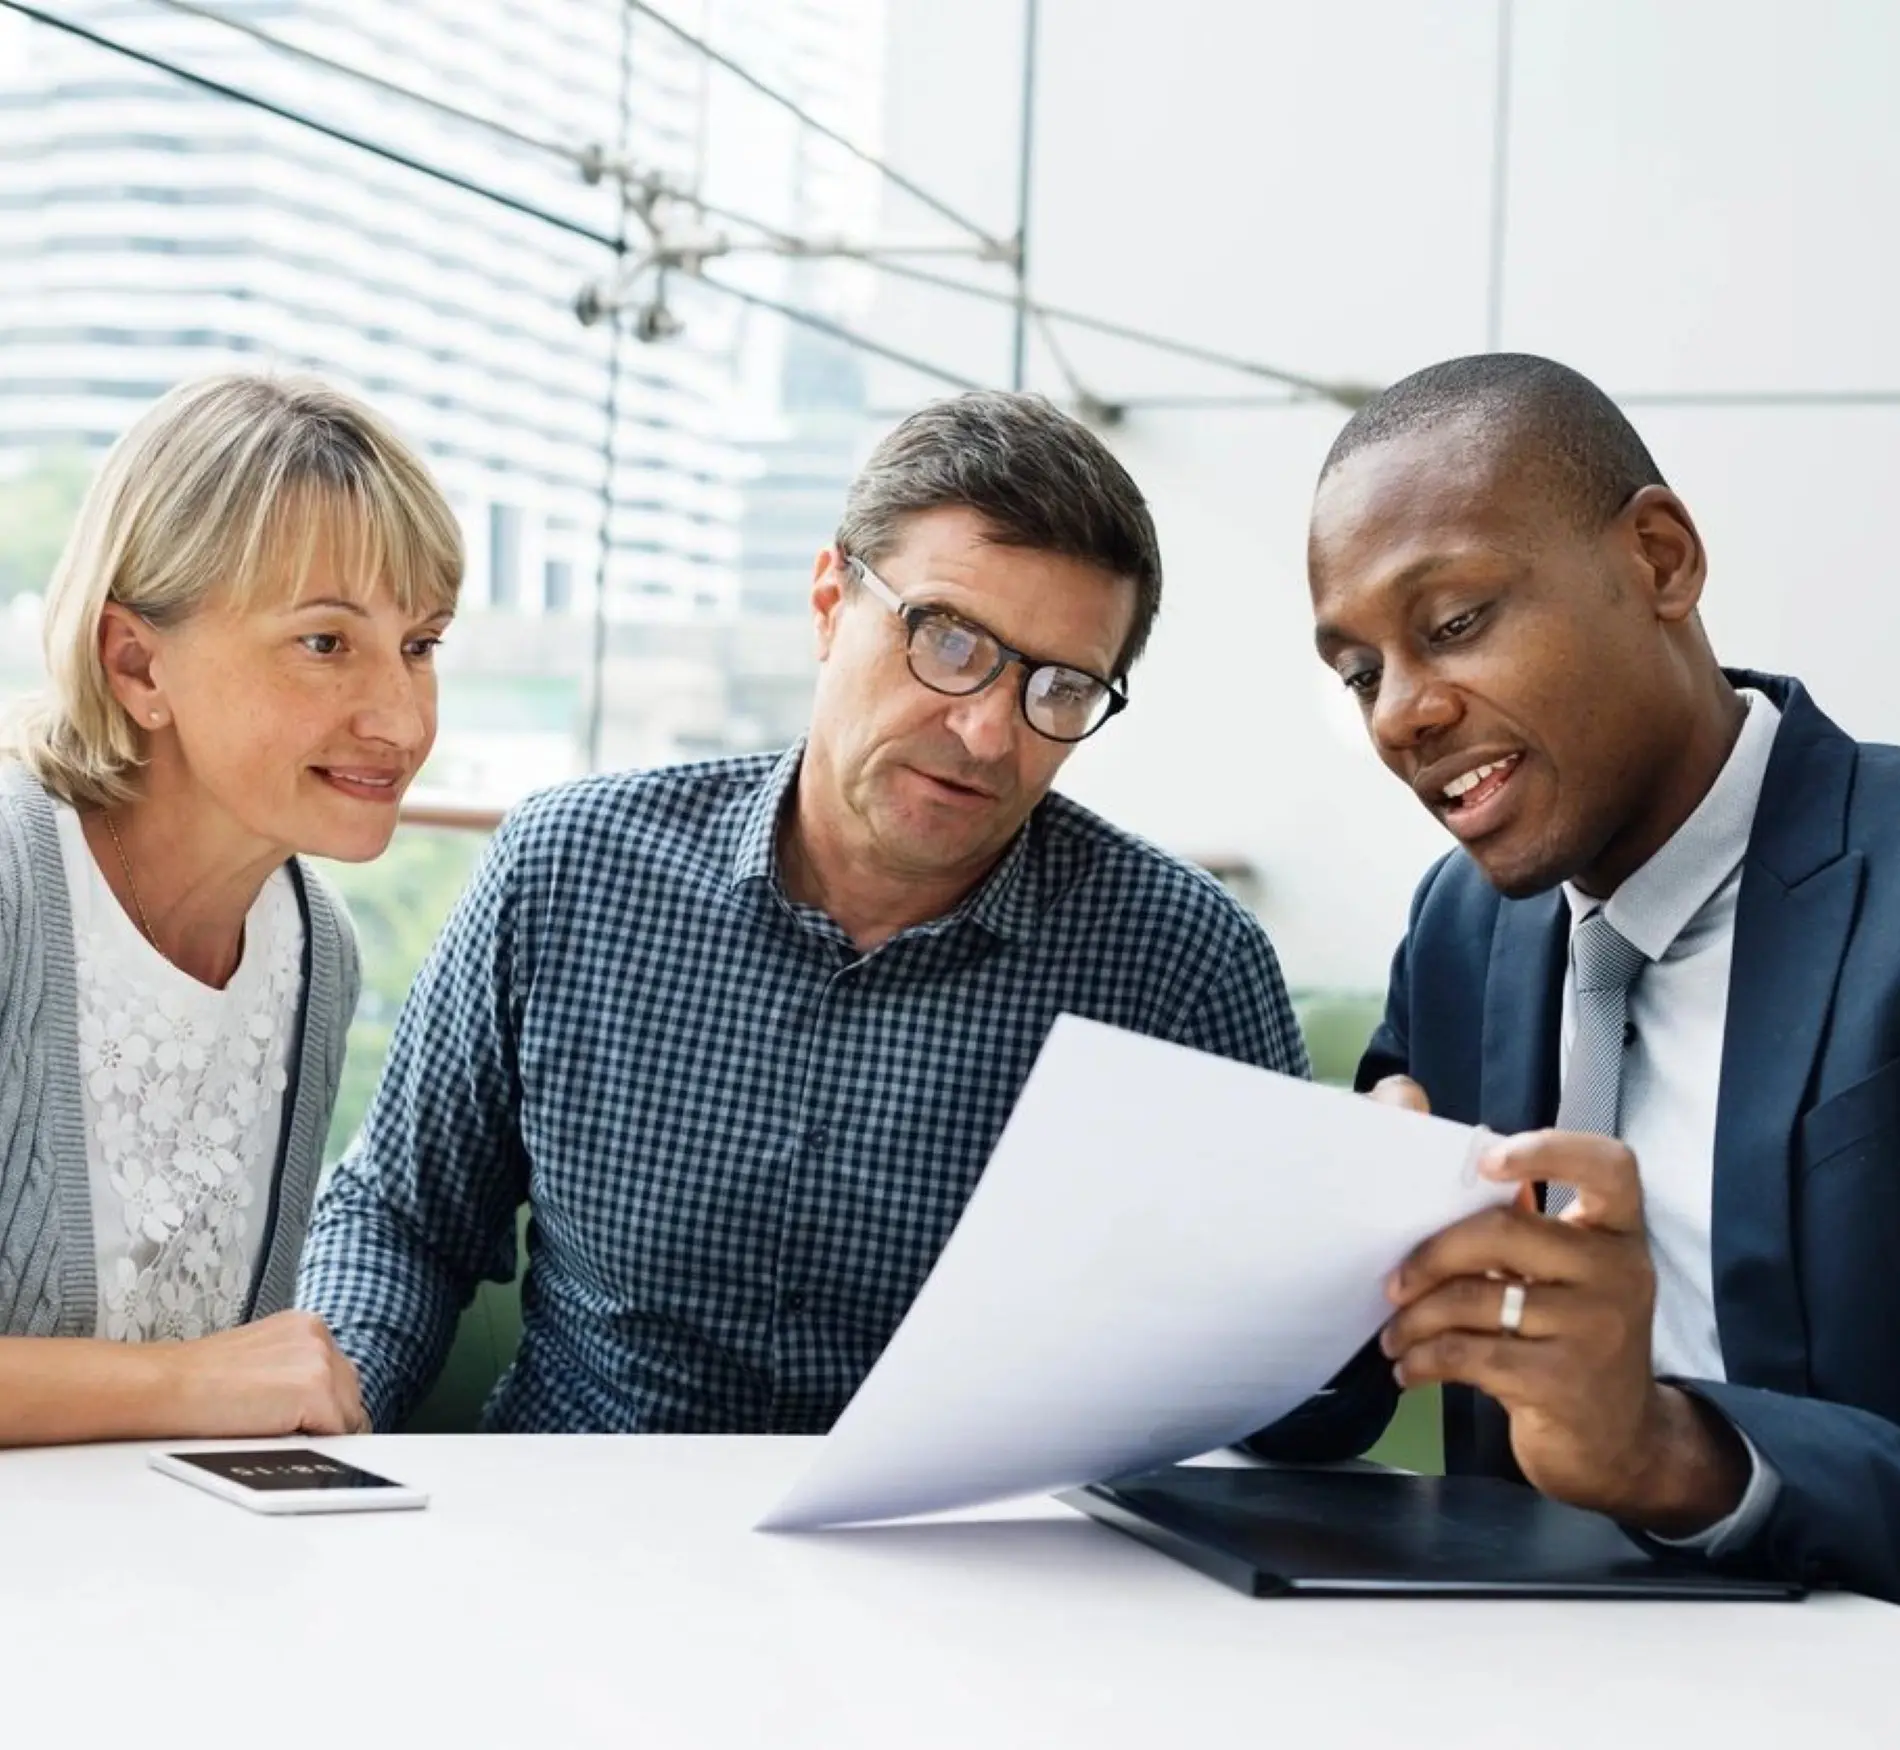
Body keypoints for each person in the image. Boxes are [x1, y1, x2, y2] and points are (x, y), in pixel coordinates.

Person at [298, 390, 1309, 1432]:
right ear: (831, 601)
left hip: (966, 1572)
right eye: (949, 641)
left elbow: (1284, 1379)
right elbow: (401, 1219)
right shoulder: (568, 868)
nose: (987, 732)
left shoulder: (1181, 963)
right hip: (575, 1540)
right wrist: (325, 1415)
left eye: (1057, 690)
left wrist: (1361, 1279)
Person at [1261, 351, 1900, 1600]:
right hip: (1511, 1671)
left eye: (1451, 625)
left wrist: (1674, 1453)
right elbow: (1339, 1405)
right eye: (1358, 673)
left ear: (1659, 561)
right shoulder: (1458, 928)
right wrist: (1300, 1272)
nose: (1397, 714)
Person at [0, 372, 463, 1446]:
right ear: (135, 661)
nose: (398, 716)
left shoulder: (314, 952)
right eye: (323, 642)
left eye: (421, 644)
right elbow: (220, 1383)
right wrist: (183, 1388)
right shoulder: (15, 883)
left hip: (169, 1586)